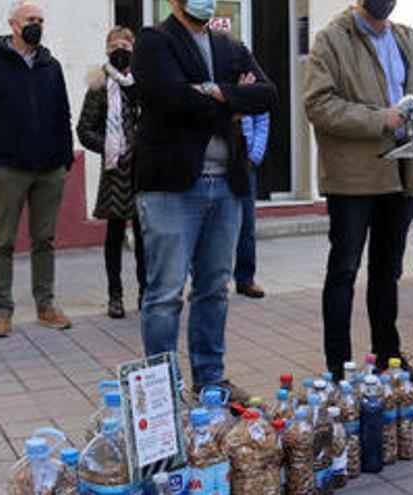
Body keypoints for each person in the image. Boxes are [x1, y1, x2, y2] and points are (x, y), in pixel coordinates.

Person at [132, 0, 277, 400]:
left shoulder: (230, 45)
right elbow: (172, 100)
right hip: (171, 187)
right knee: (164, 294)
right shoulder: (153, 41)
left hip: (226, 184)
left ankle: (210, 377)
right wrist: (233, 101)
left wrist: (213, 93)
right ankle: (162, 387)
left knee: (214, 288)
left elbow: (268, 95)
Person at [304, 0, 413, 388]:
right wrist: (382, 119)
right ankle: (339, 369)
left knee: (387, 273)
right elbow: (319, 104)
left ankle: (388, 360)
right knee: (344, 271)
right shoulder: (331, 39)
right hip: (353, 178)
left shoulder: (407, 38)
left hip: (401, 172)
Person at [0, 0, 73, 338]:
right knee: (3, 242)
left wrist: (65, 158)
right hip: (8, 170)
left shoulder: (50, 66)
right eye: (31, 19)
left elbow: (63, 115)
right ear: (13, 24)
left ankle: (46, 305)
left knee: (44, 239)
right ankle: (2, 311)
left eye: (41, 20)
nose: (37, 25)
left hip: (49, 169)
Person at [77, 26, 145, 319]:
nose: (120, 50)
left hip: (144, 170)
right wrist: (109, 147)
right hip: (115, 171)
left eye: (125, 45)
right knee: (114, 234)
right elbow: (84, 129)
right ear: (106, 50)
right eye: (114, 45)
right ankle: (114, 296)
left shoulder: (143, 82)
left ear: (134, 49)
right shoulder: (99, 85)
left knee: (145, 236)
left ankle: (146, 291)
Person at [234, 112, 270, 299]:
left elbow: (262, 120)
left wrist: (254, 156)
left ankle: (245, 279)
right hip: (216, 159)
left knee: (247, 225)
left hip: (245, 163)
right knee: (207, 226)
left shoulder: (255, 82)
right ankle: (202, 281)